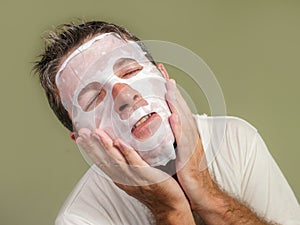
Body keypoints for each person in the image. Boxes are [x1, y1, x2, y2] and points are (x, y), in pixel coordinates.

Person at [33, 21, 300, 225]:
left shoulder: (236, 139)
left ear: (163, 77)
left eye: (131, 71)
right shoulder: (82, 218)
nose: (125, 96)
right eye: (93, 100)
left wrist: (209, 196)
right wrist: (170, 211)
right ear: (83, 142)